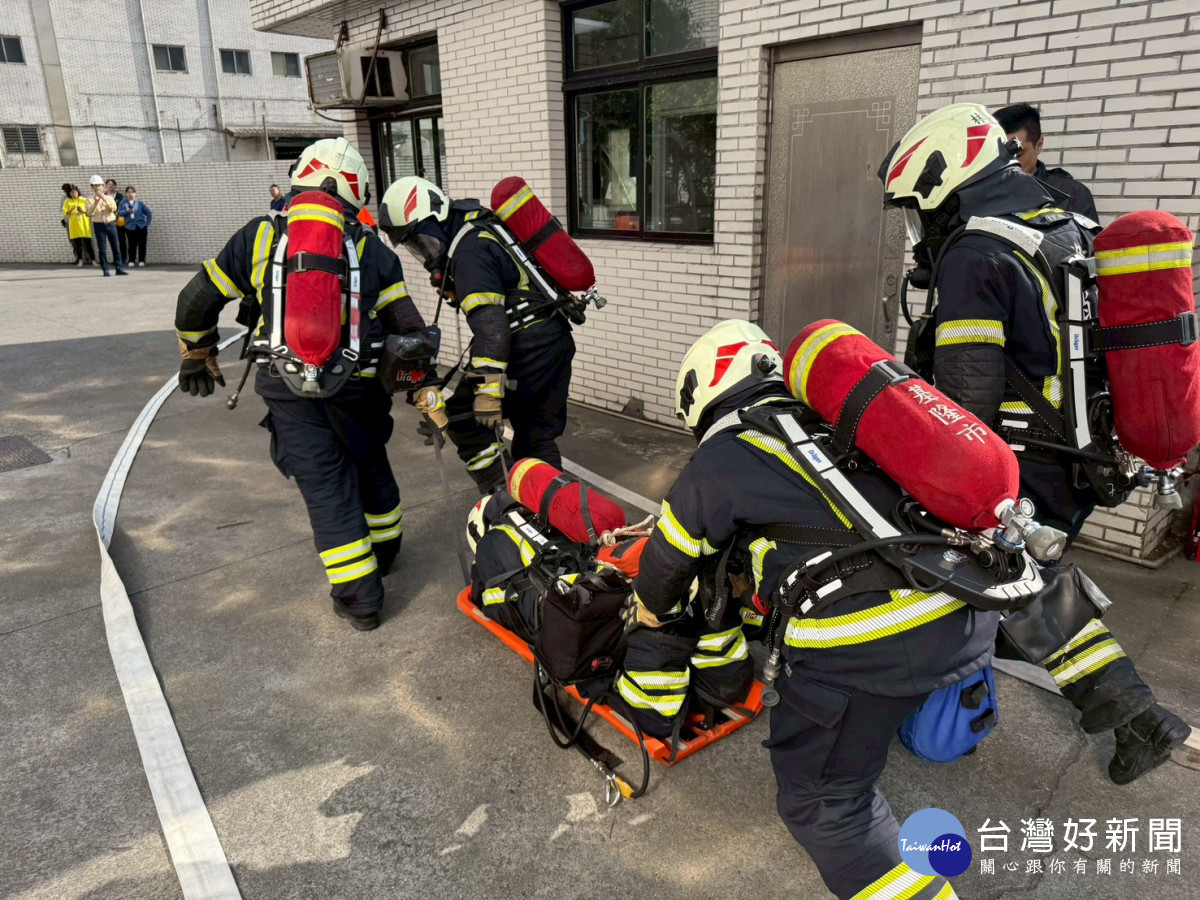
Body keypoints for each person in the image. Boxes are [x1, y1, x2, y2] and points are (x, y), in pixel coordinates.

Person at [880, 102, 1193, 784]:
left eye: (916, 209)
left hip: (1024, 462)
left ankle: (1139, 718)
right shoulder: (1061, 219)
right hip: (1083, 455)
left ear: (944, 185)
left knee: (1016, 590)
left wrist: (931, 471)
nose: (918, 228)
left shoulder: (976, 254)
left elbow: (966, 401)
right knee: (1023, 589)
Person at [630, 319, 988, 899]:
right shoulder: (839, 423)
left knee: (825, 806)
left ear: (702, 393)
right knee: (901, 697)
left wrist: (649, 611)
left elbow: (667, 558)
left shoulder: (726, 452)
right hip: (966, 606)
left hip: (869, 642)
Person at [174, 137, 427, 631]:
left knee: (326, 485)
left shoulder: (260, 236)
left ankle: (361, 600)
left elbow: (195, 300)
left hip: (287, 388)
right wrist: (419, 381)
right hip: (360, 386)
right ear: (357, 193)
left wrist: (197, 353)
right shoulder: (374, 251)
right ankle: (386, 553)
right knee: (370, 462)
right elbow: (408, 327)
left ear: (299, 180)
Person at [378, 176, 576, 494]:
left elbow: (492, 329)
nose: (425, 252)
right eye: (415, 247)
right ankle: (556, 509)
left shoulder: (468, 252)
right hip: (555, 340)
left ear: (437, 217)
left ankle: (507, 499)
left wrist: (489, 391)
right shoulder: (479, 225)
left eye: (423, 240)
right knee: (536, 438)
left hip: (526, 347)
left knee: (465, 420)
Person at [994, 103, 1099, 222]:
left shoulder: (1072, 195)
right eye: (996, 155)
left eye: (1017, 155)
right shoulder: (982, 192)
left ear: (1038, 145)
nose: (1005, 163)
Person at [86, 175, 127, 276]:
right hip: (99, 225)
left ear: (103, 186)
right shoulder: (89, 199)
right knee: (102, 249)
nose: (97, 187)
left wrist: (103, 197)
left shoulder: (109, 198)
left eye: (99, 185)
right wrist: (95, 203)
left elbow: (114, 208)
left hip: (111, 224)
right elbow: (88, 213)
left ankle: (119, 268)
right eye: (95, 185)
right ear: (92, 187)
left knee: (116, 247)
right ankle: (105, 269)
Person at [119, 186, 152, 267]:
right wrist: (127, 211)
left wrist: (147, 223)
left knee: (142, 244)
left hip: (141, 226)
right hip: (130, 227)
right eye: (128, 192)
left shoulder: (139, 203)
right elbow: (119, 213)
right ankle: (131, 260)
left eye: (132, 192)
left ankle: (141, 260)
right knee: (131, 244)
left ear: (135, 194)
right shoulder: (123, 203)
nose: (130, 194)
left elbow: (148, 213)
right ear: (126, 194)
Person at [61, 184, 93, 266]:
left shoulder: (84, 200)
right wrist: (70, 211)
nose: (73, 194)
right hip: (74, 226)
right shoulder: (67, 201)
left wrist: (83, 210)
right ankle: (80, 260)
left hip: (84, 225)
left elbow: (89, 211)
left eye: (75, 192)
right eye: (71, 193)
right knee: (77, 245)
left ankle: (92, 260)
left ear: (78, 192)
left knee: (88, 244)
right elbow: (65, 212)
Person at [105, 178, 130, 267]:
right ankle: (116, 259)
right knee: (112, 241)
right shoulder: (103, 196)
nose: (110, 186)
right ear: (106, 186)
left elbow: (124, 207)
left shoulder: (120, 196)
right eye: (109, 184)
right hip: (108, 221)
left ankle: (123, 259)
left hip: (119, 221)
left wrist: (118, 213)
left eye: (112, 184)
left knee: (121, 240)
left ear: (115, 186)